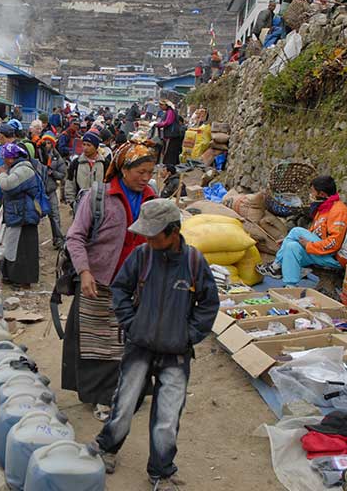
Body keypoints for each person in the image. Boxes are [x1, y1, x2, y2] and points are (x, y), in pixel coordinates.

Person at [91, 199, 218, 488]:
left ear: (173, 231)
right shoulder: (141, 256)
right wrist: (131, 322)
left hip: (177, 353)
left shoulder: (195, 262)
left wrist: (189, 335)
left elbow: (209, 304)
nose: (147, 238)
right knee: (123, 403)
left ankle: (161, 470)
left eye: (154, 233)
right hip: (139, 346)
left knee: (168, 415)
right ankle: (107, 448)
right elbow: (120, 289)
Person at [64, 141, 157, 423]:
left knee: (132, 342)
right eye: (140, 171)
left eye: (150, 172)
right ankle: (102, 398)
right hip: (99, 283)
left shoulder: (153, 198)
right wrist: (84, 271)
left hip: (138, 286)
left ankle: (130, 393)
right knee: (99, 344)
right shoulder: (99, 196)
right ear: (123, 169)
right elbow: (75, 237)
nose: (145, 178)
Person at [258, 176, 347, 285]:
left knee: (296, 231)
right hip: (321, 252)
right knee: (291, 246)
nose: (311, 195)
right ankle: (290, 287)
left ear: (322, 194)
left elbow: (334, 244)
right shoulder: (324, 208)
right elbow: (314, 234)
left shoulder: (339, 211)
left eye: (312, 192)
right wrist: (289, 240)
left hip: (336, 258)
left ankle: (276, 266)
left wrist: (308, 245)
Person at [0, 143, 42, 288]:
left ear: (11, 158)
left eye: (5, 158)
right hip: (19, 213)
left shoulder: (23, 170)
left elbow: (8, 185)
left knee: (21, 248)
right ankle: (12, 276)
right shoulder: (18, 168)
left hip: (24, 215)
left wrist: (2, 174)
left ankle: (21, 279)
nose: (4, 161)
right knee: (14, 246)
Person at [37, 132, 67, 249]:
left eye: (50, 143)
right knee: (35, 216)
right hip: (38, 191)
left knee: (54, 215)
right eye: (45, 142)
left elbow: (62, 174)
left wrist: (53, 173)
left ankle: (58, 239)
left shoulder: (57, 157)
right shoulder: (38, 154)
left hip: (51, 190)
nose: (47, 145)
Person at [65, 132, 107, 210]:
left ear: (95, 147)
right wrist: (72, 203)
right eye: (84, 144)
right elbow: (70, 183)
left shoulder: (105, 163)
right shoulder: (76, 163)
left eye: (89, 145)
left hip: (99, 206)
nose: (85, 148)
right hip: (80, 205)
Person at [155, 100, 182, 166]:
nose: (160, 107)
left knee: (170, 151)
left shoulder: (170, 111)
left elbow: (168, 122)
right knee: (171, 151)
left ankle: (169, 166)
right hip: (173, 134)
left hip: (172, 134)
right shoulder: (170, 111)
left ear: (166, 105)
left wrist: (159, 125)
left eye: (161, 105)